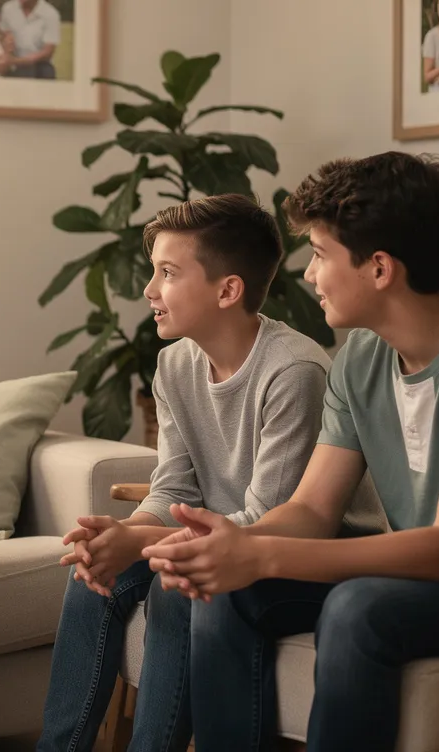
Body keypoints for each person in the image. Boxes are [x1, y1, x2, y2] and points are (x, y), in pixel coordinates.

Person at [142, 152, 439, 752]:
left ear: (379, 268)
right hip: (434, 574)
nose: (308, 275)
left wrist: (263, 555)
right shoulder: (361, 358)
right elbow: (311, 512)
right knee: (222, 585)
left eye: (322, 255)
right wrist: (234, 544)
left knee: (360, 607)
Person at [36, 195, 380, 752]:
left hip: (294, 551)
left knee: (178, 590)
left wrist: (141, 542)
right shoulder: (175, 364)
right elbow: (173, 486)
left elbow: (269, 518)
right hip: (214, 537)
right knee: (90, 575)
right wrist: (121, 538)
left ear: (227, 290)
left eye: (168, 273)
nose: (149, 290)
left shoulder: (293, 370)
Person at [0, 0, 60, 79]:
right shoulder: (8, 8)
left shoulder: (50, 14)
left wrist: (17, 61)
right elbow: (2, 36)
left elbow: (47, 52)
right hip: (12, 62)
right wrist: (6, 42)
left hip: (39, 65)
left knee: (42, 72)